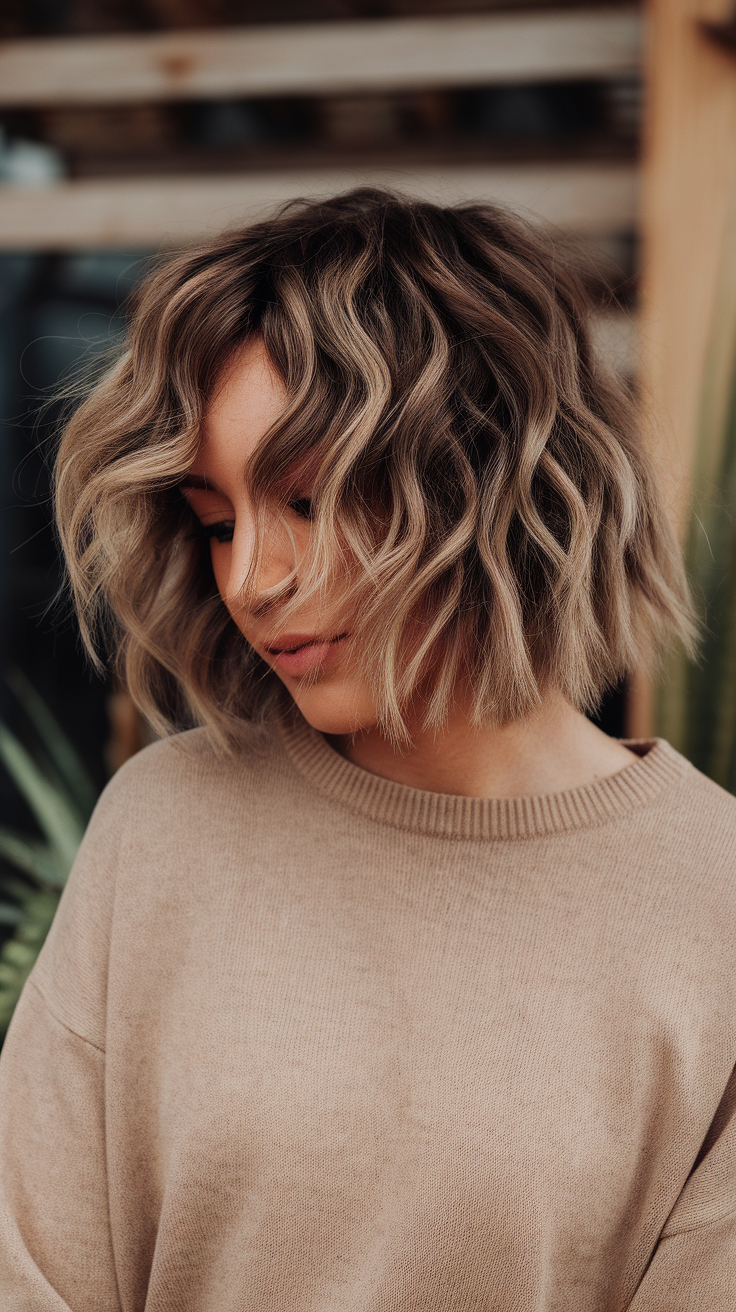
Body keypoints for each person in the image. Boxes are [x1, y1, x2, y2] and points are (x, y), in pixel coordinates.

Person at [0, 187, 734, 1311]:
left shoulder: (712, 900)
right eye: (218, 519)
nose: (253, 577)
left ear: (489, 473)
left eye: (306, 497)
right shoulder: (166, 825)